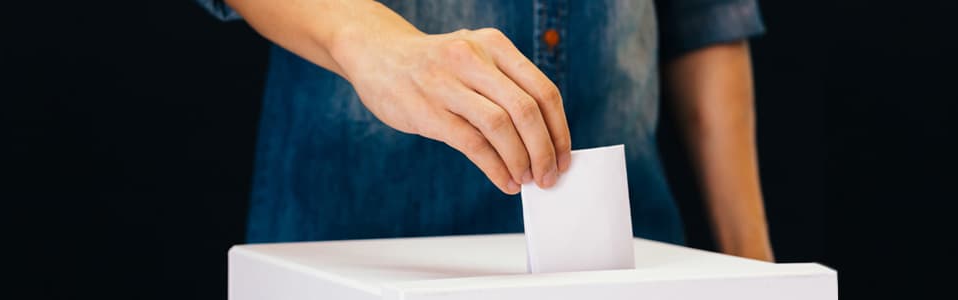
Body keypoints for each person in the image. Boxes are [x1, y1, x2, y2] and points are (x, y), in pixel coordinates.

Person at [197, 0, 773, 261]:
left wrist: (757, 270)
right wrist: (366, 37)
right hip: (361, 248)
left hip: (620, 256)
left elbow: (704, 24)